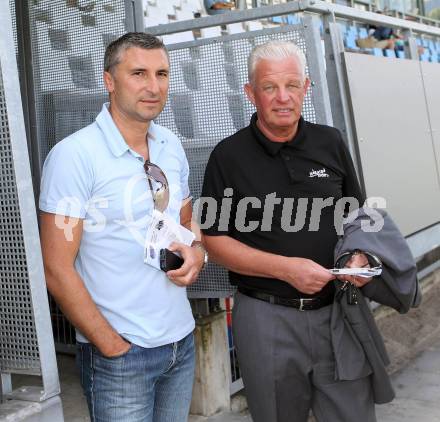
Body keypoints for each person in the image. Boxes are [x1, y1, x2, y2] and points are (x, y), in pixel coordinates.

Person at [201, 40, 379, 422]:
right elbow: (213, 242)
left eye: (292, 85)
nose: (283, 98)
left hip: (338, 314)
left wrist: (359, 255)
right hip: (266, 317)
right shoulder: (227, 156)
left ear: (307, 88)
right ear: (251, 93)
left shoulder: (330, 142)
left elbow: (358, 217)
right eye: (269, 87)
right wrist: (285, 269)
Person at [39, 32, 207, 422]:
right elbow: (56, 267)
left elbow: (186, 222)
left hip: (179, 344)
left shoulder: (171, 144)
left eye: (162, 73)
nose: (153, 86)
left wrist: (197, 252)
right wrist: (109, 344)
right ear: (109, 81)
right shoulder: (74, 156)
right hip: (119, 356)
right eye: (139, 73)